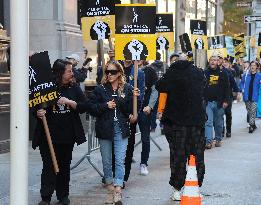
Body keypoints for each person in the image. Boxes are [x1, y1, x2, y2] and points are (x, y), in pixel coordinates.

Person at [33, 59, 89, 205]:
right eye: (69, 71)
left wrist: (70, 102)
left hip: (67, 136)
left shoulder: (74, 87)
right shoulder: (46, 88)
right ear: (60, 73)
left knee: (64, 166)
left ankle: (63, 195)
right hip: (48, 136)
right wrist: (37, 112)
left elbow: (84, 106)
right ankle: (46, 196)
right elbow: (35, 106)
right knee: (49, 166)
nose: (72, 73)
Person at [86, 61, 139, 204]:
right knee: (107, 161)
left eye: (113, 72)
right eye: (107, 72)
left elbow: (130, 111)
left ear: (120, 73)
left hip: (121, 129)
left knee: (120, 160)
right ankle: (110, 187)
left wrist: (134, 98)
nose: (109, 74)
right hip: (105, 128)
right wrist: (105, 105)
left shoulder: (127, 88)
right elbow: (90, 107)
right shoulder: (100, 89)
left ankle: (117, 190)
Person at [155, 56, 206, 201]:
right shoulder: (198, 72)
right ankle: (196, 186)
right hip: (196, 121)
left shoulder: (172, 72)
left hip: (177, 122)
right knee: (197, 155)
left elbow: (160, 86)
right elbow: (204, 88)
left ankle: (177, 188)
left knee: (178, 155)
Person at [204, 55, 230, 149]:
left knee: (218, 123)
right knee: (208, 122)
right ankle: (209, 141)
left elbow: (227, 88)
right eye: (211, 60)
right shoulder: (205, 73)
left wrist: (226, 100)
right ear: (209, 61)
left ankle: (218, 139)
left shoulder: (223, 73)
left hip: (220, 103)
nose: (213, 62)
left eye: (215, 60)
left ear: (218, 62)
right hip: (208, 103)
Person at [240, 61, 261, 133]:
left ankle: (251, 126)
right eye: (251, 65)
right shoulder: (246, 75)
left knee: (253, 111)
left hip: (255, 96)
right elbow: (242, 83)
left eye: (254, 65)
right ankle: (253, 124)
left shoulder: (259, 75)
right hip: (246, 96)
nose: (252, 67)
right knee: (249, 111)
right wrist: (242, 90)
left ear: (257, 67)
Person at [221, 57, 240, 138]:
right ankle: (221, 130)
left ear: (228, 63)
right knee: (220, 115)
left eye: (226, 62)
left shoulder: (230, 72)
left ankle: (228, 130)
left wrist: (237, 92)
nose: (224, 63)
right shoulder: (218, 71)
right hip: (219, 97)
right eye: (223, 62)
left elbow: (233, 83)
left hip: (228, 96)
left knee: (228, 114)